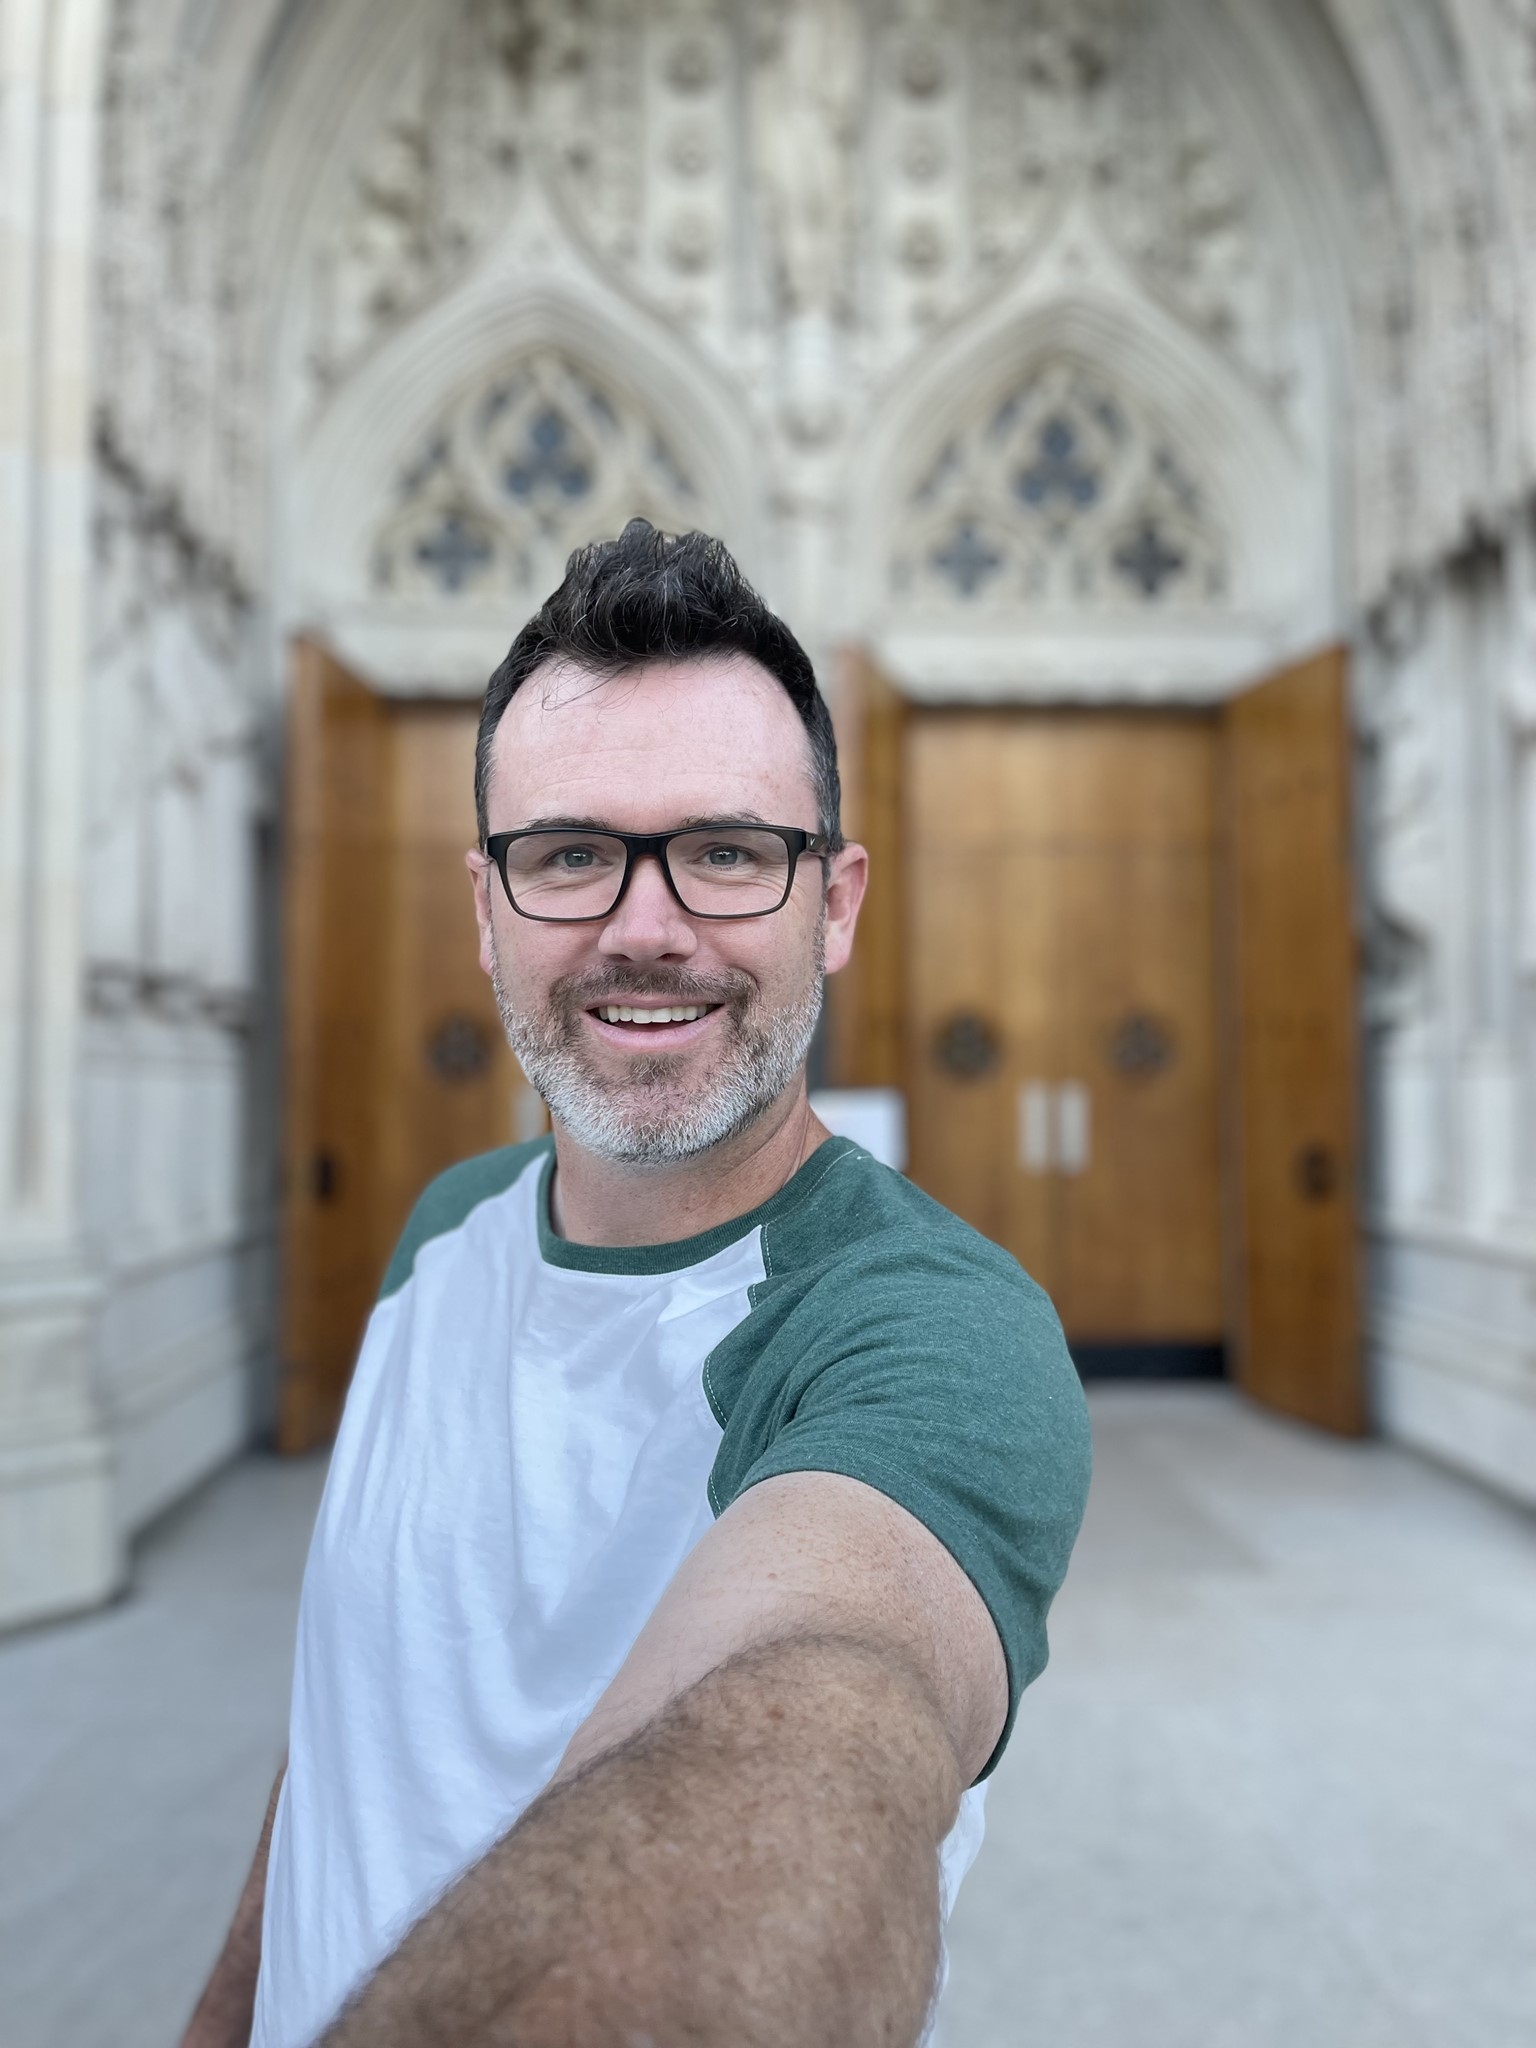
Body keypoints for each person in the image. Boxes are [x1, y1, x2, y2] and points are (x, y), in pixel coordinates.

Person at [182, 520, 1091, 2048]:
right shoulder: (444, 1238)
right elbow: (352, 1732)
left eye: (729, 852)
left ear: (838, 901)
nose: (646, 929)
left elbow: (821, 1714)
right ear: (487, 910)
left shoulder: (930, 1332)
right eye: (572, 855)